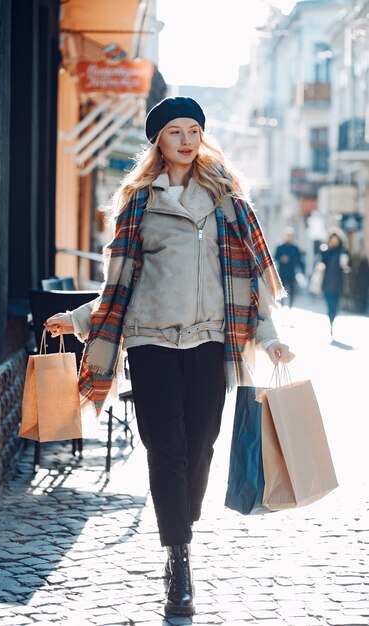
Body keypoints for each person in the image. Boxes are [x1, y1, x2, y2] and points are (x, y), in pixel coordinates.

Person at [44, 97, 294, 617]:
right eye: (174, 131)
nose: (185, 139)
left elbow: (250, 290)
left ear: (201, 137)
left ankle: (182, 519)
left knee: (201, 443)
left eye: (193, 130)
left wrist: (268, 338)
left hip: (210, 342)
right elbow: (119, 286)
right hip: (150, 340)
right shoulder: (138, 202)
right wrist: (78, 319)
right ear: (158, 139)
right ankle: (177, 559)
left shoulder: (229, 202)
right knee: (164, 444)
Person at [320, 229, 349, 337]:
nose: (335, 242)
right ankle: (330, 324)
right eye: (333, 240)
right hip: (327, 284)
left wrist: (346, 265)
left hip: (338, 284)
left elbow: (347, 265)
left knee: (336, 307)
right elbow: (322, 262)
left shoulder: (343, 251)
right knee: (330, 306)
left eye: (336, 240)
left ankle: (332, 322)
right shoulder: (326, 251)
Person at [274, 226, 305, 308]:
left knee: (291, 289)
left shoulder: (295, 248)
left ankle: (291, 305)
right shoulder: (279, 247)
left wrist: (302, 271)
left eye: (290, 236)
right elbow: (275, 258)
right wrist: (281, 259)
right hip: (282, 272)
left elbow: (299, 260)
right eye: (287, 235)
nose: (289, 237)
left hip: (291, 272)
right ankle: (282, 304)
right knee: (281, 289)